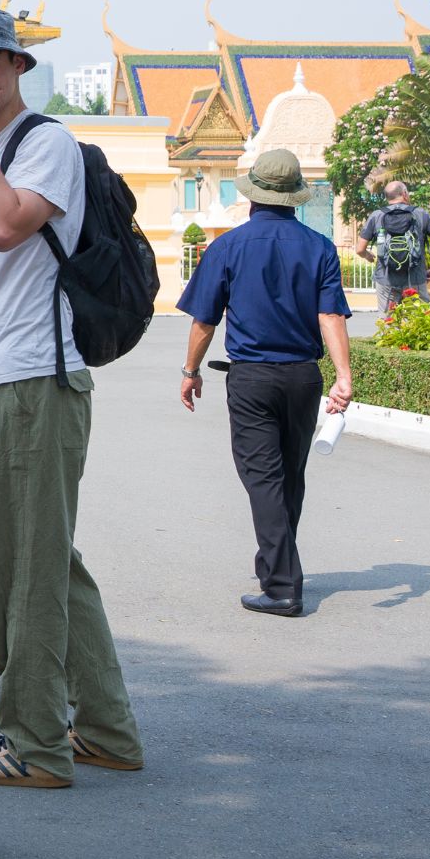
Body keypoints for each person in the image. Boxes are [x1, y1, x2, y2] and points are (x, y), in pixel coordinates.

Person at [0, 12, 144, 790]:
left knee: (19, 574)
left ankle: (36, 744)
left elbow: (5, 225)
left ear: (19, 67)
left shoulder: (45, 144)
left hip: (35, 385)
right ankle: (108, 730)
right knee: (48, 566)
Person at [178, 148, 353, 618]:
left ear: (252, 196)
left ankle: (281, 587)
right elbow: (331, 315)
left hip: (253, 376)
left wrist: (190, 372)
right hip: (302, 377)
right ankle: (276, 568)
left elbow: (204, 321)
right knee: (288, 476)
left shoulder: (228, 247)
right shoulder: (319, 247)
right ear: (295, 198)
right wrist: (343, 377)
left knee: (262, 478)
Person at [356, 181, 430, 315]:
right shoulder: (420, 213)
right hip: (415, 279)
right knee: (422, 322)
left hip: (386, 279)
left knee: (388, 323)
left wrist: (368, 256)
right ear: (404, 194)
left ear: (387, 197)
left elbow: (359, 249)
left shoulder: (377, 215)